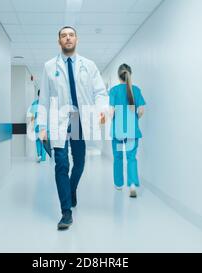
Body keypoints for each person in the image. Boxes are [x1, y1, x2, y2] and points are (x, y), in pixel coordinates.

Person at [37, 26, 108, 230]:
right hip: (58, 120)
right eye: (63, 35)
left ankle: (72, 188)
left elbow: (100, 92)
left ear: (77, 39)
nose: (67, 38)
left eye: (71, 35)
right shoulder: (50, 66)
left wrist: (103, 109)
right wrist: (42, 126)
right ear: (59, 41)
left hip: (80, 119)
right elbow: (43, 99)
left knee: (79, 162)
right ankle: (66, 212)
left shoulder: (89, 65)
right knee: (61, 165)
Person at [109, 64, 146, 198]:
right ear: (130, 74)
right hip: (132, 130)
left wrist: (110, 117)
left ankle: (119, 184)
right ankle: (132, 185)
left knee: (118, 157)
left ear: (119, 76)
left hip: (118, 131)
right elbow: (141, 110)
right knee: (131, 158)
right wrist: (134, 118)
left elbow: (111, 112)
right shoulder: (136, 90)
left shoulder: (113, 91)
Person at [29, 90, 46, 163]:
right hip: (39, 125)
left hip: (41, 125)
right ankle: (41, 156)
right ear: (39, 95)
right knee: (40, 141)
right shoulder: (37, 104)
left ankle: (41, 156)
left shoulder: (37, 103)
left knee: (41, 141)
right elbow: (32, 116)